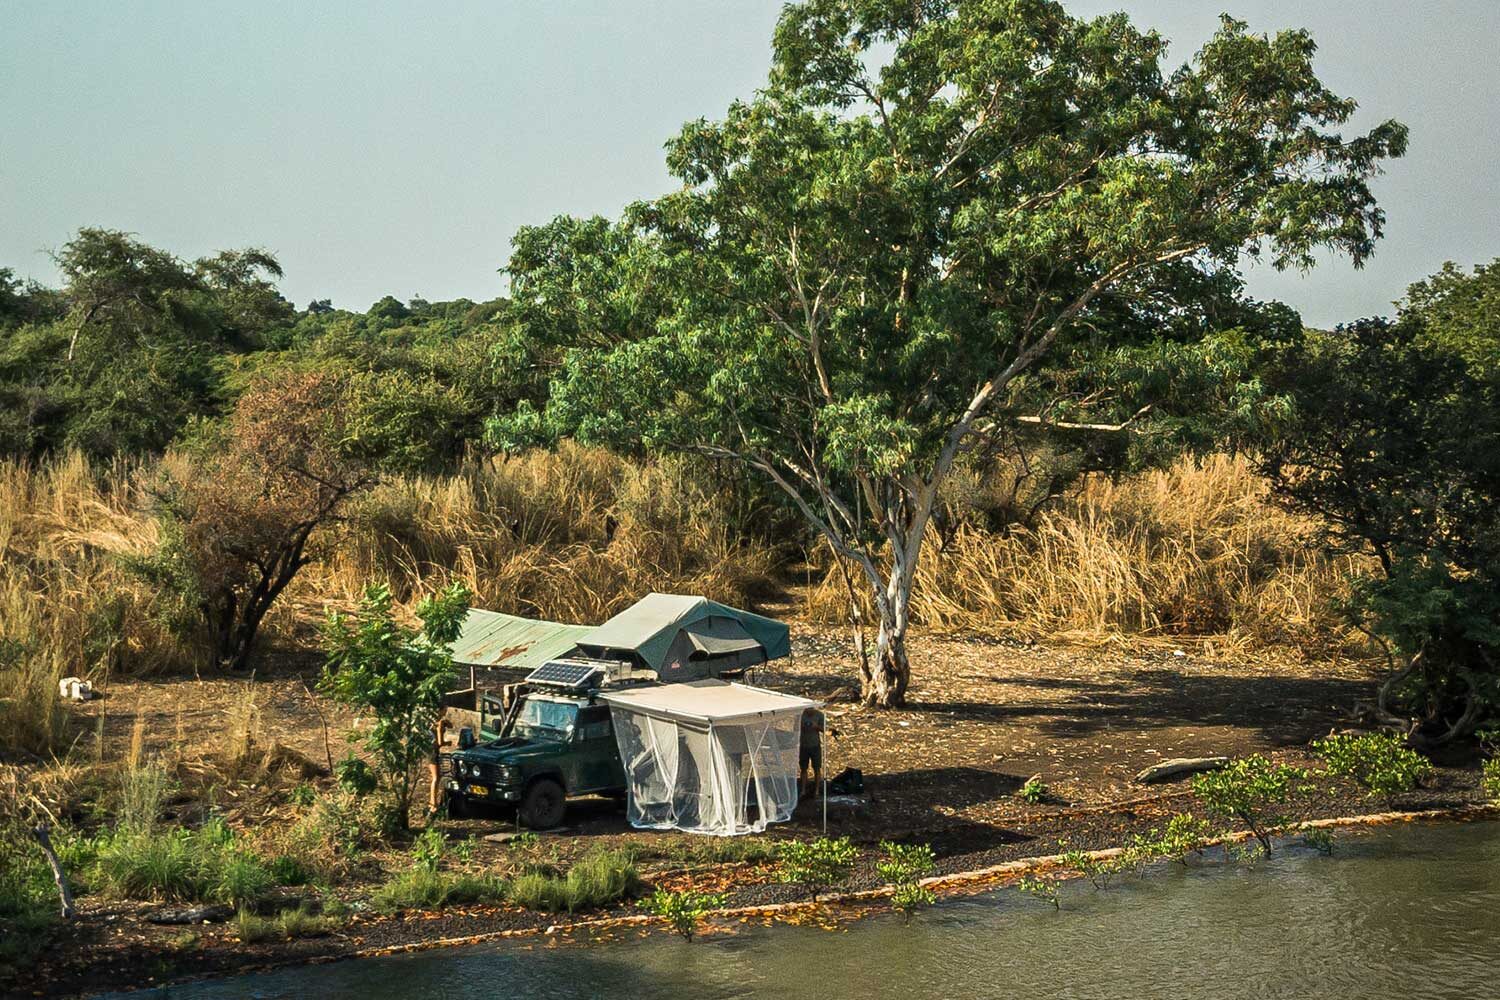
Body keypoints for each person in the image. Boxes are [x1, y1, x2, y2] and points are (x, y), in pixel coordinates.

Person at [799, 707, 825, 800]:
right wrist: (802, 726)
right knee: (803, 768)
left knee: (817, 768)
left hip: (815, 745)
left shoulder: (820, 715)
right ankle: (803, 790)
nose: (809, 711)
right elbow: (795, 729)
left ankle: (817, 790)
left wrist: (816, 727)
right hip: (803, 745)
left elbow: (825, 730)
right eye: (807, 710)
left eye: (811, 710)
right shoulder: (801, 715)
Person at [428, 716, 452, 816]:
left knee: (437, 777)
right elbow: (440, 742)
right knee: (436, 778)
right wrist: (448, 743)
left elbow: (451, 725)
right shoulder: (439, 723)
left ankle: (433, 804)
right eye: (445, 709)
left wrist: (445, 722)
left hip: (429, 751)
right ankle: (433, 805)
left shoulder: (433, 721)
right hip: (433, 752)